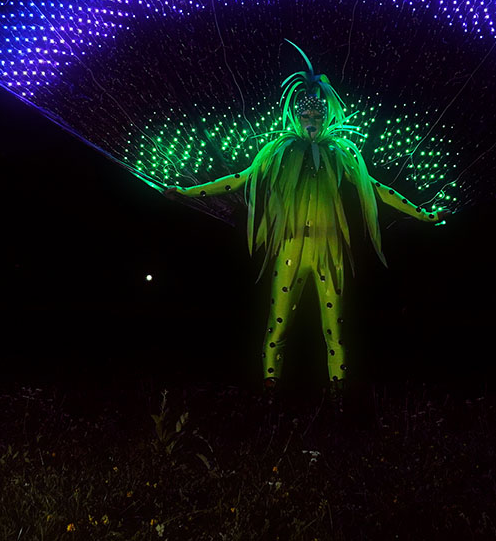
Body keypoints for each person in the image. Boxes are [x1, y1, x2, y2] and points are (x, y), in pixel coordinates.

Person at [167, 43, 444, 386]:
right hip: (289, 251)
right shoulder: (277, 151)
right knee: (277, 326)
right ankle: (270, 403)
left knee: (336, 333)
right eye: (306, 116)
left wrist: (423, 214)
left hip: (331, 254)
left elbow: (378, 190)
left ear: (326, 116)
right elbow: (238, 180)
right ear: (295, 117)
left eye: (316, 116)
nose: (311, 122)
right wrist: (187, 192)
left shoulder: (342, 153)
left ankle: (338, 405)